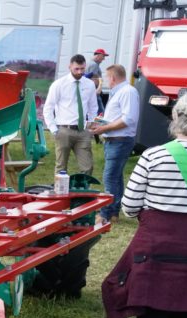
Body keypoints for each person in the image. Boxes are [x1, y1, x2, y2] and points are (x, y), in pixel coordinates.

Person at [102, 91, 187, 318]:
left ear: (176, 120)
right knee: (184, 314)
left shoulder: (153, 156)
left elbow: (128, 207)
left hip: (155, 250)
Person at [90, 64, 139, 225]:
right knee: (115, 177)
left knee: (109, 177)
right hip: (115, 140)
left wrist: (104, 127)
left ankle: (105, 214)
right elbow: (121, 116)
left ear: (113, 78)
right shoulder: (121, 92)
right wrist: (103, 121)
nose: (106, 82)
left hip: (120, 140)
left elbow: (128, 119)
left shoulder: (127, 92)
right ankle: (113, 213)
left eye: (107, 78)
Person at [43, 54, 98, 176]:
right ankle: (59, 193)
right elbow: (48, 108)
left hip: (82, 131)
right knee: (61, 167)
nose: (80, 72)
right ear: (70, 67)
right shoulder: (59, 84)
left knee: (87, 167)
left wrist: (91, 122)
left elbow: (93, 106)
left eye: (82, 69)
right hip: (64, 130)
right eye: (76, 69)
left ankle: (83, 193)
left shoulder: (89, 84)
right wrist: (54, 130)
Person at [87, 48, 107, 113]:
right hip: (94, 92)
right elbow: (93, 79)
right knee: (101, 113)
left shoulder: (90, 63)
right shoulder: (94, 65)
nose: (104, 59)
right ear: (98, 55)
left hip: (92, 92)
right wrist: (99, 87)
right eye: (103, 56)